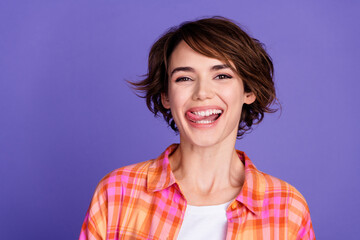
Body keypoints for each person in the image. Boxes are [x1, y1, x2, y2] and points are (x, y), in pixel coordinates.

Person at [79, 16, 315, 239]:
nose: (202, 93)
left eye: (222, 76)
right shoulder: (117, 193)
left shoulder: (287, 207)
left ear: (248, 91)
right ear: (166, 96)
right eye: (184, 78)